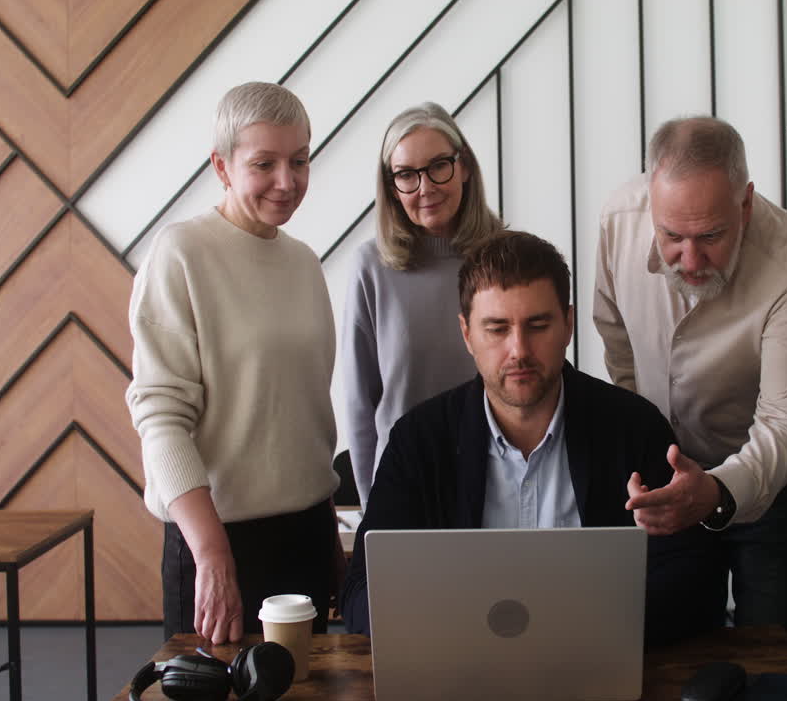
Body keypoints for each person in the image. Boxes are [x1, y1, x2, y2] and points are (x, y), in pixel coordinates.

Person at [340, 231, 725, 646]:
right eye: (497, 329)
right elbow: (360, 593)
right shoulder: (418, 441)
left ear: (568, 325)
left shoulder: (634, 428)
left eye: (537, 325)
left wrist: (589, 628)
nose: (518, 350)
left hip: (598, 669)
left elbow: (699, 581)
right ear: (467, 334)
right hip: (460, 671)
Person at [593, 116, 787, 647]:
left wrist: (720, 489)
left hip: (767, 485)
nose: (691, 259)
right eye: (671, 236)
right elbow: (617, 346)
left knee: (771, 658)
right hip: (661, 479)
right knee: (666, 648)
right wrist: (644, 450)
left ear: (745, 205)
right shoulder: (618, 220)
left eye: (711, 236)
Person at [125, 82, 345, 644]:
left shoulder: (303, 263)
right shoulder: (181, 254)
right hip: (218, 541)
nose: (286, 181)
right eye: (264, 163)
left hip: (307, 531)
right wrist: (212, 554)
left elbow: (301, 411)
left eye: (299, 160)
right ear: (222, 167)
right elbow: (161, 418)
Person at [339, 102, 503, 510]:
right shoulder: (370, 267)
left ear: (463, 166)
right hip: (402, 486)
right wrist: (369, 507)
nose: (425, 187)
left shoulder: (506, 256)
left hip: (496, 480)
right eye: (407, 175)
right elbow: (361, 403)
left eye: (438, 166)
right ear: (391, 187)